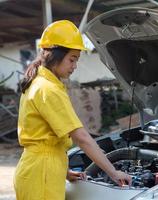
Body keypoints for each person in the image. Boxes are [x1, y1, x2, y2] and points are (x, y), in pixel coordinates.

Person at [14, 20, 132, 200]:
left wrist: (64, 171)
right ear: (55, 55)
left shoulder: (39, 82)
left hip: (38, 170)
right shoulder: (48, 89)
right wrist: (113, 172)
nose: (75, 66)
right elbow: (82, 138)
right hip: (41, 174)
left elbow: (44, 138)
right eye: (72, 59)